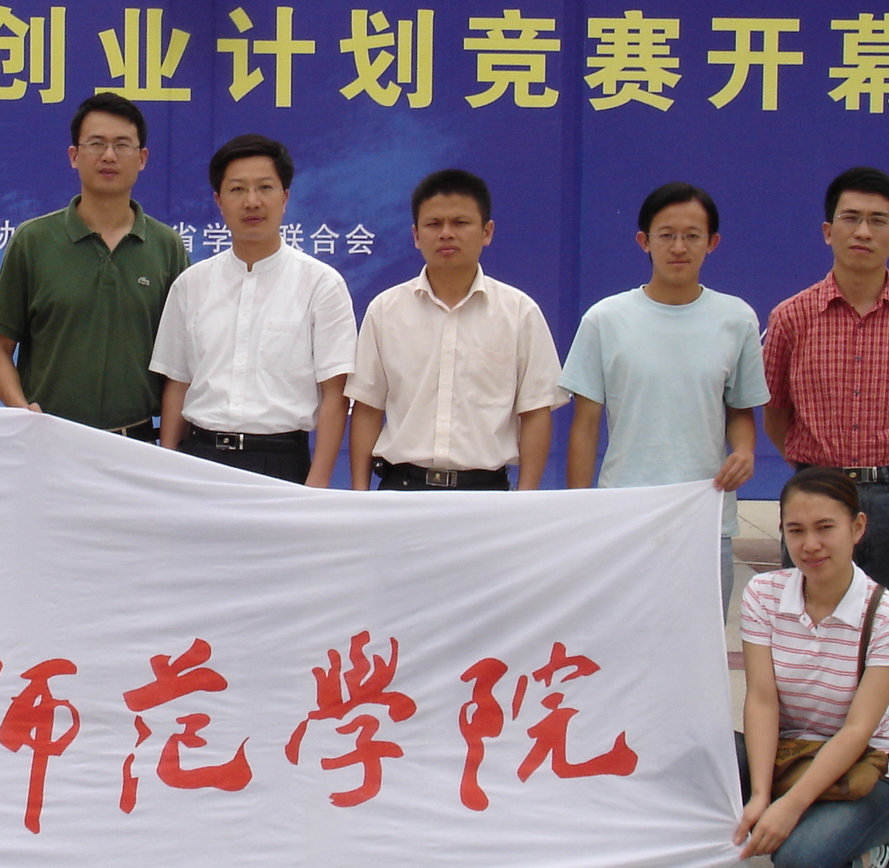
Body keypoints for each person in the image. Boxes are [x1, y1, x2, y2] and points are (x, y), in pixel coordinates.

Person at [763, 166, 889, 749]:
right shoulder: (792, 316)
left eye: (878, 221)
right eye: (850, 218)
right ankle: (805, 781)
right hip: (817, 501)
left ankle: (886, 793)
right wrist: (813, 476)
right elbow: (775, 409)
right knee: (805, 654)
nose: (863, 231)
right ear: (828, 230)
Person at [562, 182, 767, 613]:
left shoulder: (736, 318)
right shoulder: (605, 319)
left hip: (705, 514)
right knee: (618, 638)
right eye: (666, 235)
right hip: (624, 514)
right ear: (644, 241)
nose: (678, 247)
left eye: (692, 236)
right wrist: (580, 514)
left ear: (712, 243)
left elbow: (741, 410)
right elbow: (585, 425)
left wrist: (745, 452)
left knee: (701, 642)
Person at [737, 467, 889, 868]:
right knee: (697, 757)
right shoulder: (763, 593)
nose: (810, 545)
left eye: (825, 528)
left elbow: (858, 730)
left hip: (865, 769)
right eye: (796, 530)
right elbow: (762, 699)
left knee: (802, 867)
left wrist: (789, 807)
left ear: (857, 527)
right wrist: (760, 795)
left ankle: (873, 857)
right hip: (788, 753)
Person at [152, 134, 356, 485]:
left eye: (265, 187)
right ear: (218, 201)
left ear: (285, 197)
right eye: (237, 190)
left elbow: (334, 395)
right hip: (200, 458)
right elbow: (177, 384)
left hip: (280, 463)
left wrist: (318, 485)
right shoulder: (191, 284)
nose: (252, 201)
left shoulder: (321, 284)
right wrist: (169, 468)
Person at [0, 92, 188, 437]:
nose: (109, 155)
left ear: (142, 158)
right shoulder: (33, 241)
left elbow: (181, 365)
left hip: (135, 443)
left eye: (122, 145)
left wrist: (169, 450)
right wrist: (22, 410)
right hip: (50, 437)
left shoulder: (166, 247)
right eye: (96, 144)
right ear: (74, 156)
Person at [348, 169, 562, 491]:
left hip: (486, 493)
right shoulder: (385, 310)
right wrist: (360, 495)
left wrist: (525, 499)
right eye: (433, 224)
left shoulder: (520, 313)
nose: (446, 234)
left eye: (460, 223)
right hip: (402, 491)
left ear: (487, 232)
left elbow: (535, 412)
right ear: (416, 235)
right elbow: (367, 408)